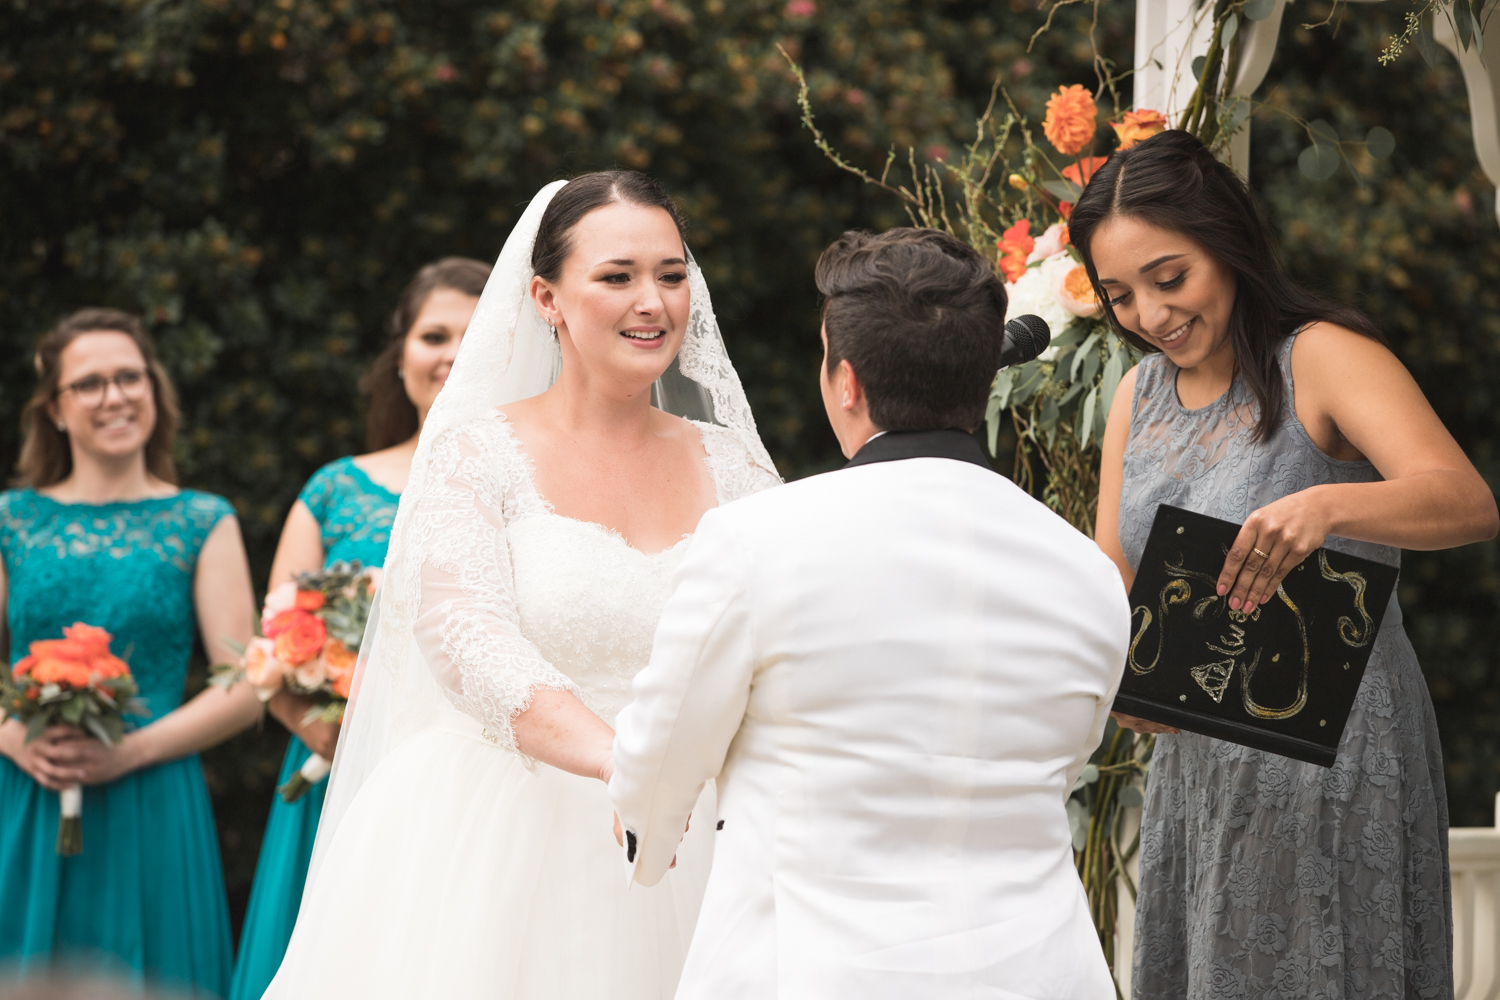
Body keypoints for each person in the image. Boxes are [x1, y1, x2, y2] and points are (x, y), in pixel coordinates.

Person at [263, 171, 779, 998]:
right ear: (546, 297)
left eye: (672, 275)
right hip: (505, 833)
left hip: (700, 830)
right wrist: (630, 768)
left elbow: (785, 639)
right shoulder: (475, 454)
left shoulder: (736, 467)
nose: (654, 301)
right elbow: (467, 638)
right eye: (618, 277)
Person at [609, 227, 1132, 999]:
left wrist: (648, 850)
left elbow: (659, 760)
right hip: (1039, 971)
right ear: (982, 382)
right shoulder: (1087, 571)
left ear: (844, 380)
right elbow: (1066, 760)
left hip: (810, 969)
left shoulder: (757, 540)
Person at [1073, 129, 1499, 997]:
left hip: (1335, 746)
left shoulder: (1321, 357)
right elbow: (1110, 575)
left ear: (1226, 245)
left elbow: (1467, 500)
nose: (1150, 315)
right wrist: (1117, 679)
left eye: (1170, 278)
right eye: (1120, 296)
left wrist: (1329, 504)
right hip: (1198, 760)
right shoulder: (1135, 395)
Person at [229, 257, 489, 1000]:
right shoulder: (334, 489)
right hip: (335, 772)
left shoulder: (536, 490)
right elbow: (268, 648)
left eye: (473, 336)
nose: (450, 354)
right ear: (400, 355)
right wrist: (315, 724)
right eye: (433, 334)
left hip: (469, 781)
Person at [0, 309, 261, 994]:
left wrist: (131, 751)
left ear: (154, 390)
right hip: (28, 791)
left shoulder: (203, 520)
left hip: (153, 794)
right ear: (54, 410)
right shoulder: (11, 521)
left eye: (129, 378)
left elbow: (246, 683)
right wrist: (12, 737)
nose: (114, 397)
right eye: (88, 385)